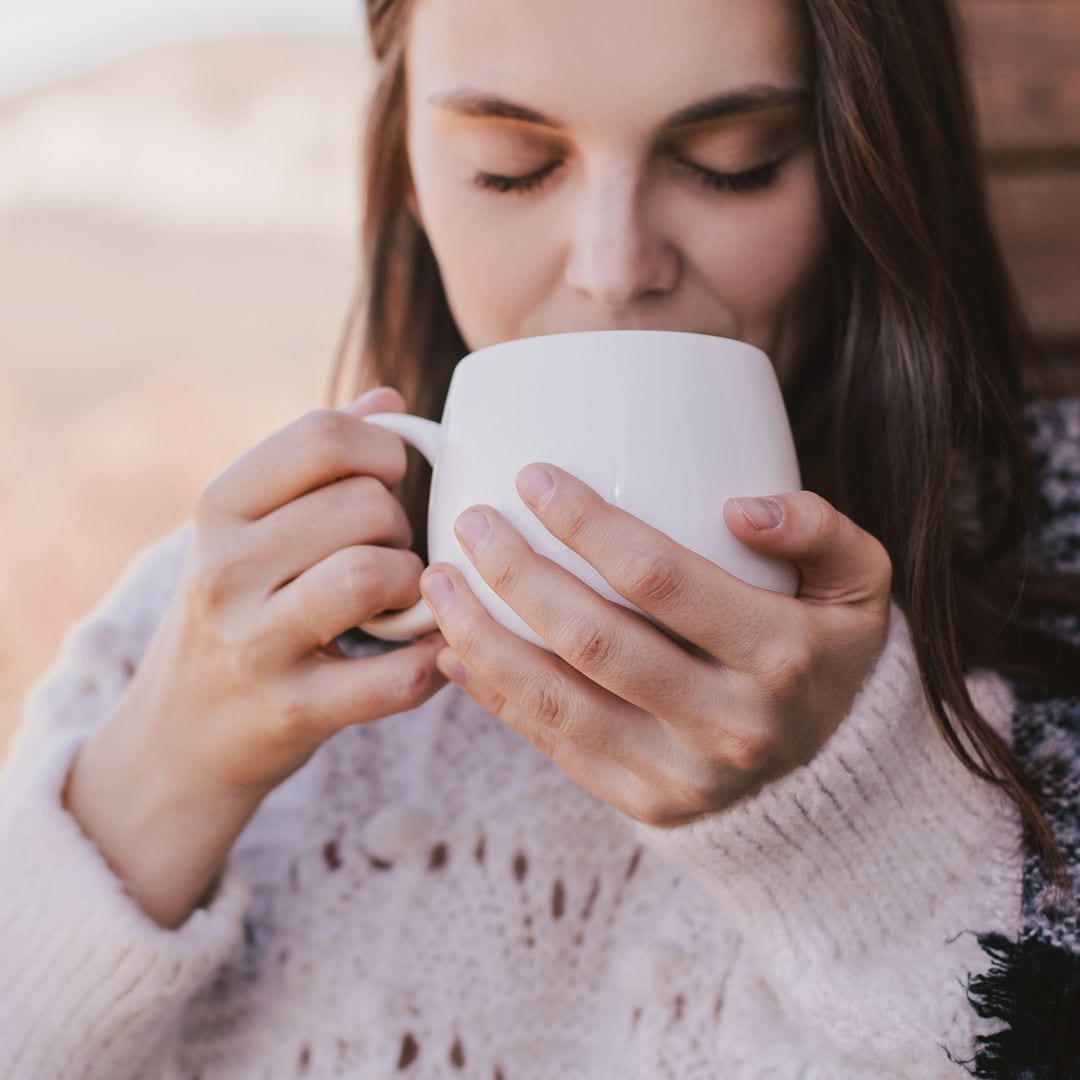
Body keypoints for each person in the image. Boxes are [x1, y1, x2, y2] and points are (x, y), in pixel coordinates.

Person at [1, 0, 1078, 1076]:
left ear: (865, 158)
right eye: (512, 168)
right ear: (411, 174)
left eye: (733, 162)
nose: (615, 267)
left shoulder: (1056, 550)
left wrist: (848, 811)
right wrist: (169, 766)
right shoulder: (216, 617)